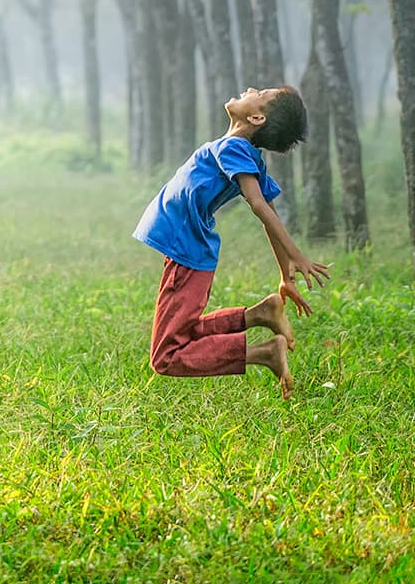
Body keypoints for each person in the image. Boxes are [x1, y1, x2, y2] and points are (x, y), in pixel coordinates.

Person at [133, 86, 329, 398]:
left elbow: (260, 205)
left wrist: (296, 256)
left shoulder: (236, 148)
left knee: (166, 356)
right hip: (187, 250)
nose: (251, 88)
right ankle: (259, 315)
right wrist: (284, 274)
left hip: (187, 252)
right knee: (184, 333)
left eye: (260, 93)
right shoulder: (241, 151)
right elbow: (269, 210)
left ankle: (264, 353)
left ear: (256, 116)